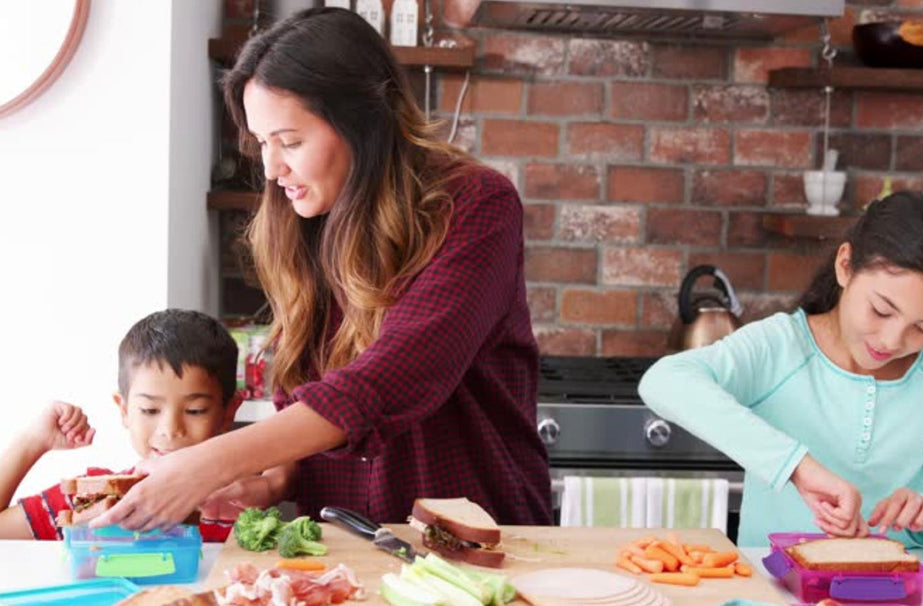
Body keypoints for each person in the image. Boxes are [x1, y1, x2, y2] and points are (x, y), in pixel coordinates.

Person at [91, 7, 551, 532]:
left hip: (479, 536)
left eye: (289, 142)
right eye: (262, 144)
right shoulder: (305, 219)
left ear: (363, 123)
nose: (271, 169)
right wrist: (272, 482)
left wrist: (207, 463)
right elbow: (301, 393)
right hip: (342, 540)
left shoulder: (476, 204)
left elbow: (395, 376)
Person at [640, 191, 923, 548]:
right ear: (845, 265)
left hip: (886, 592)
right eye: (881, 310)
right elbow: (665, 381)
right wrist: (796, 466)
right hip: (773, 593)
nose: (892, 341)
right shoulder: (782, 346)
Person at [0, 309, 245, 541]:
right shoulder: (88, 500)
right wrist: (31, 442)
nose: (170, 430)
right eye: (150, 410)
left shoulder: (244, 508)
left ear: (228, 412)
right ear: (124, 410)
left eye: (195, 411)